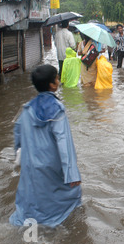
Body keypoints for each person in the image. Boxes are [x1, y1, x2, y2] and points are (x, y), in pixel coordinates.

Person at [10, 64, 82, 228]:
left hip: (31, 164)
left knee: (35, 196)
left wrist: (19, 157)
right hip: (51, 164)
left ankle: (34, 227)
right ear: (53, 84)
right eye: (57, 77)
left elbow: (17, 135)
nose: (58, 80)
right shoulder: (57, 109)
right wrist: (72, 173)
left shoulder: (27, 108)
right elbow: (64, 141)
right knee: (69, 196)